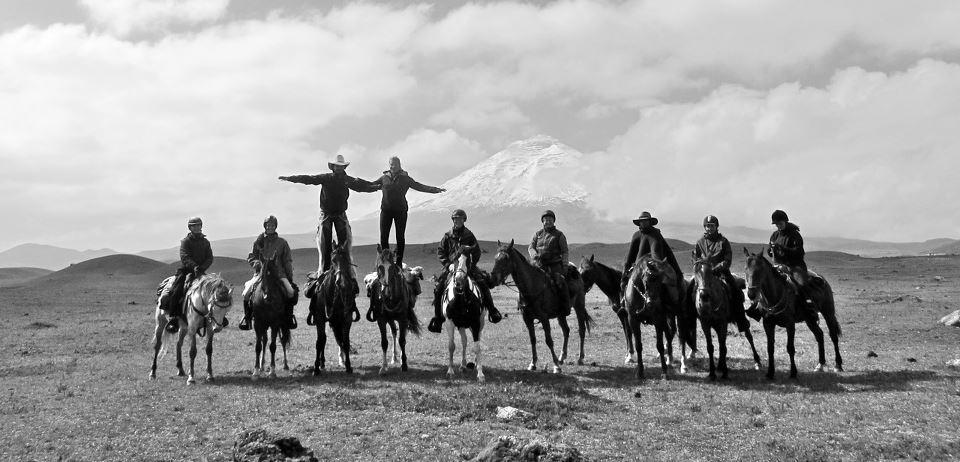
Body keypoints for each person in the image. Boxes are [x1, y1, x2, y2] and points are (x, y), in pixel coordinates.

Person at [279, 154, 378, 274]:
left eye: (341, 166)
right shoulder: (326, 178)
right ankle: (325, 270)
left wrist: (376, 187)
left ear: (344, 168)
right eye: (337, 166)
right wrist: (291, 178)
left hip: (340, 214)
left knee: (345, 243)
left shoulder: (347, 180)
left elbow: (361, 185)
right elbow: (309, 179)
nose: (339, 168)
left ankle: (346, 269)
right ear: (333, 167)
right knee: (325, 243)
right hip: (326, 214)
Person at [427, 209, 503, 333]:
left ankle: (492, 311)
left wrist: (471, 265)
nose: (457, 221)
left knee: (482, 283)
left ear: (464, 220)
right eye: (455, 219)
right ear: (453, 220)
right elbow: (441, 252)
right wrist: (448, 264)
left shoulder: (469, 235)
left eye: (460, 218)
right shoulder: (447, 236)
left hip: (467, 266)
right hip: (451, 267)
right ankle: (438, 318)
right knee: (439, 288)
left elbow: (476, 252)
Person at [370, 156, 445, 267]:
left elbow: (419, 186)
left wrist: (434, 190)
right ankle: (386, 260)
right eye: (390, 164)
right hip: (386, 211)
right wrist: (355, 183)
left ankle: (399, 262)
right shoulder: (384, 178)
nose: (392, 166)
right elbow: (370, 185)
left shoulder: (405, 178)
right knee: (383, 236)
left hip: (400, 211)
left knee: (400, 236)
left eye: (394, 164)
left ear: (399, 165)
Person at [746, 209, 809, 320]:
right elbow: (771, 253)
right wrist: (771, 250)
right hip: (779, 265)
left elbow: (799, 253)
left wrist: (782, 248)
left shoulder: (795, 235)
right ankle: (758, 308)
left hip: (795, 266)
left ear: (786, 221)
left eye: (780, 223)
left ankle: (808, 309)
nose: (778, 226)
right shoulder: (774, 235)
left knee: (801, 284)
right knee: (764, 282)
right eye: (776, 224)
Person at [239, 215, 298, 330]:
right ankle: (247, 319)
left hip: (279, 274)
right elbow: (252, 256)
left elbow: (287, 260)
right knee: (246, 293)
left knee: (290, 292)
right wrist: (256, 264)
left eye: (272, 225)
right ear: (265, 226)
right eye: (268, 225)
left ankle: (289, 317)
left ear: (275, 226)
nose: (270, 227)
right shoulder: (259, 241)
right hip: (261, 274)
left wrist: (289, 276)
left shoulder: (282, 243)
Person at [162, 216, 214, 333]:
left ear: (201, 226)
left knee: (213, 290)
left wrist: (202, 268)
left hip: (201, 271)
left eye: (198, 225)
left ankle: (215, 317)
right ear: (190, 228)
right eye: (194, 225)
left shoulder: (206, 242)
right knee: (176, 291)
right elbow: (184, 256)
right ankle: (174, 319)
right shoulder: (185, 241)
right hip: (187, 271)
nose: (196, 227)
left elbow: (210, 257)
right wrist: (194, 266)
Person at [620, 211, 684, 303]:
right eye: (642, 221)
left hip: (655, 266)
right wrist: (624, 274)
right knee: (626, 284)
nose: (644, 223)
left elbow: (659, 252)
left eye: (646, 221)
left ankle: (671, 305)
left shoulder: (655, 234)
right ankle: (624, 304)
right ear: (639, 223)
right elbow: (630, 256)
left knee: (666, 283)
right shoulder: (636, 235)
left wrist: (677, 272)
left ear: (650, 222)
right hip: (638, 267)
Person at [694, 215, 745, 308]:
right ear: (704, 227)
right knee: (690, 290)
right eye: (707, 226)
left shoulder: (723, 242)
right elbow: (696, 259)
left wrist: (716, 269)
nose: (710, 228)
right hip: (703, 274)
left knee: (735, 289)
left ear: (716, 226)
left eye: (712, 226)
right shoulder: (699, 242)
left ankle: (739, 315)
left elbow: (727, 260)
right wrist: (701, 269)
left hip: (721, 273)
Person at [528, 209, 571, 311]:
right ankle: (526, 305)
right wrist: (534, 256)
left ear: (554, 221)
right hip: (539, 265)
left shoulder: (559, 235)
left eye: (550, 219)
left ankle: (565, 306)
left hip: (554, 265)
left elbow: (565, 251)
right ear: (542, 221)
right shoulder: (537, 234)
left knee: (560, 282)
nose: (548, 221)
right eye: (545, 219)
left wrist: (564, 266)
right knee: (527, 280)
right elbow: (530, 247)